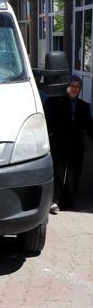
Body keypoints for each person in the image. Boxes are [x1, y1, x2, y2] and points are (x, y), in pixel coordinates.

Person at [45, 76, 93, 211]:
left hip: (75, 147)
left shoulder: (83, 106)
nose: (74, 89)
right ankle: (54, 200)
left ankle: (68, 202)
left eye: (77, 87)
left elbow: (89, 127)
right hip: (59, 145)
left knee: (73, 175)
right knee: (58, 173)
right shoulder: (57, 103)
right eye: (71, 86)